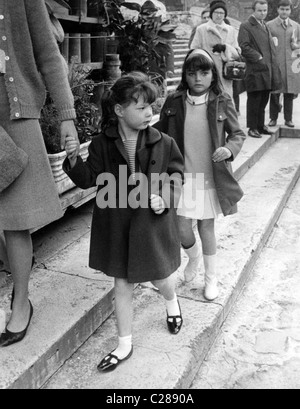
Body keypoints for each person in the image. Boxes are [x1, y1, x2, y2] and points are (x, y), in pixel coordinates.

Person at [64, 72, 184, 372]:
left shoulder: (163, 142)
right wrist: (73, 160)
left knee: (159, 277)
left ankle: (171, 302)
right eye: (141, 107)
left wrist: (165, 196)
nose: (149, 113)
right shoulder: (101, 144)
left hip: (150, 222)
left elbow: (177, 175)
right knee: (122, 282)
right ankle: (124, 343)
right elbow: (89, 178)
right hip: (117, 223)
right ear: (119, 110)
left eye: (150, 107)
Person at [0, 0, 78, 347]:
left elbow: (48, 53)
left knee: (16, 216)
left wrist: (66, 116)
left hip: (16, 112)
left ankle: (21, 300)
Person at [155, 50, 246, 301]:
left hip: (210, 176)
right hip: (181, 176)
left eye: (204, 73)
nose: (198, 78)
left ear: (212, 74)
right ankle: (193, 255)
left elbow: (237, 134)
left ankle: (211, 279)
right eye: (192, 73)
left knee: (207, 226)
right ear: (185, 75)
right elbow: (159, 134)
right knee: (181, 225)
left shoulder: (222, 100)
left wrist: (228, 149)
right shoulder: (174, 101)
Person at [238, 0, 282, 138]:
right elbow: (244, 46)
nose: (263, 13)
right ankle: (252, 127)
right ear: (253, 10)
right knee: (255, 99)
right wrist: (258, 58)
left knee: (264, 99)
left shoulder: (265, 25)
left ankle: (260, 125)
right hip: (256, 69)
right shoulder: (246, 26)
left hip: (267, 69)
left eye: (265, 10)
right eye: (260, 10)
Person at [191, 0, 241, 97]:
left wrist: (226, 47)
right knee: (207, 100)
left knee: (224, 101)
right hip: (206, 70)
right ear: (211, 13)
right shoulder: (202, 29)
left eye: (221, 13)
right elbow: (194, 49)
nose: (219, 15)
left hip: (225, 73)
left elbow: (237, 52)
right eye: (216, 12)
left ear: (225, 15)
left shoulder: (231, 30)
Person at [267, 0, 300, 128]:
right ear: (278, 10)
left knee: (289, 92)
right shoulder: (270, 25)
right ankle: (273, 118)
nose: (284, 12)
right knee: (275, 92)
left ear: (290, 10)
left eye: (287, 9)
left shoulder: (296, 26)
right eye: (282, 9)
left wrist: (296, 45)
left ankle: (288, 119)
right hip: (276, 63)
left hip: (292, 64)